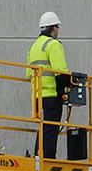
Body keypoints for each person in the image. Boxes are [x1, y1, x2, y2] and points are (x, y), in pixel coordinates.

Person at [26, 11, 70, 159]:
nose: (58, 31)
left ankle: (38, 154)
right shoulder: (53, 44)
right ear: (53, 28)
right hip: (51, 94)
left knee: (43, 126)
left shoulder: (34, 47)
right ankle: (47, 157)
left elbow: (28, 74)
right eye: (57, 27)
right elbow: (61, 71)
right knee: (50, 127)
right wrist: (72, 83)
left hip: (37, 96)